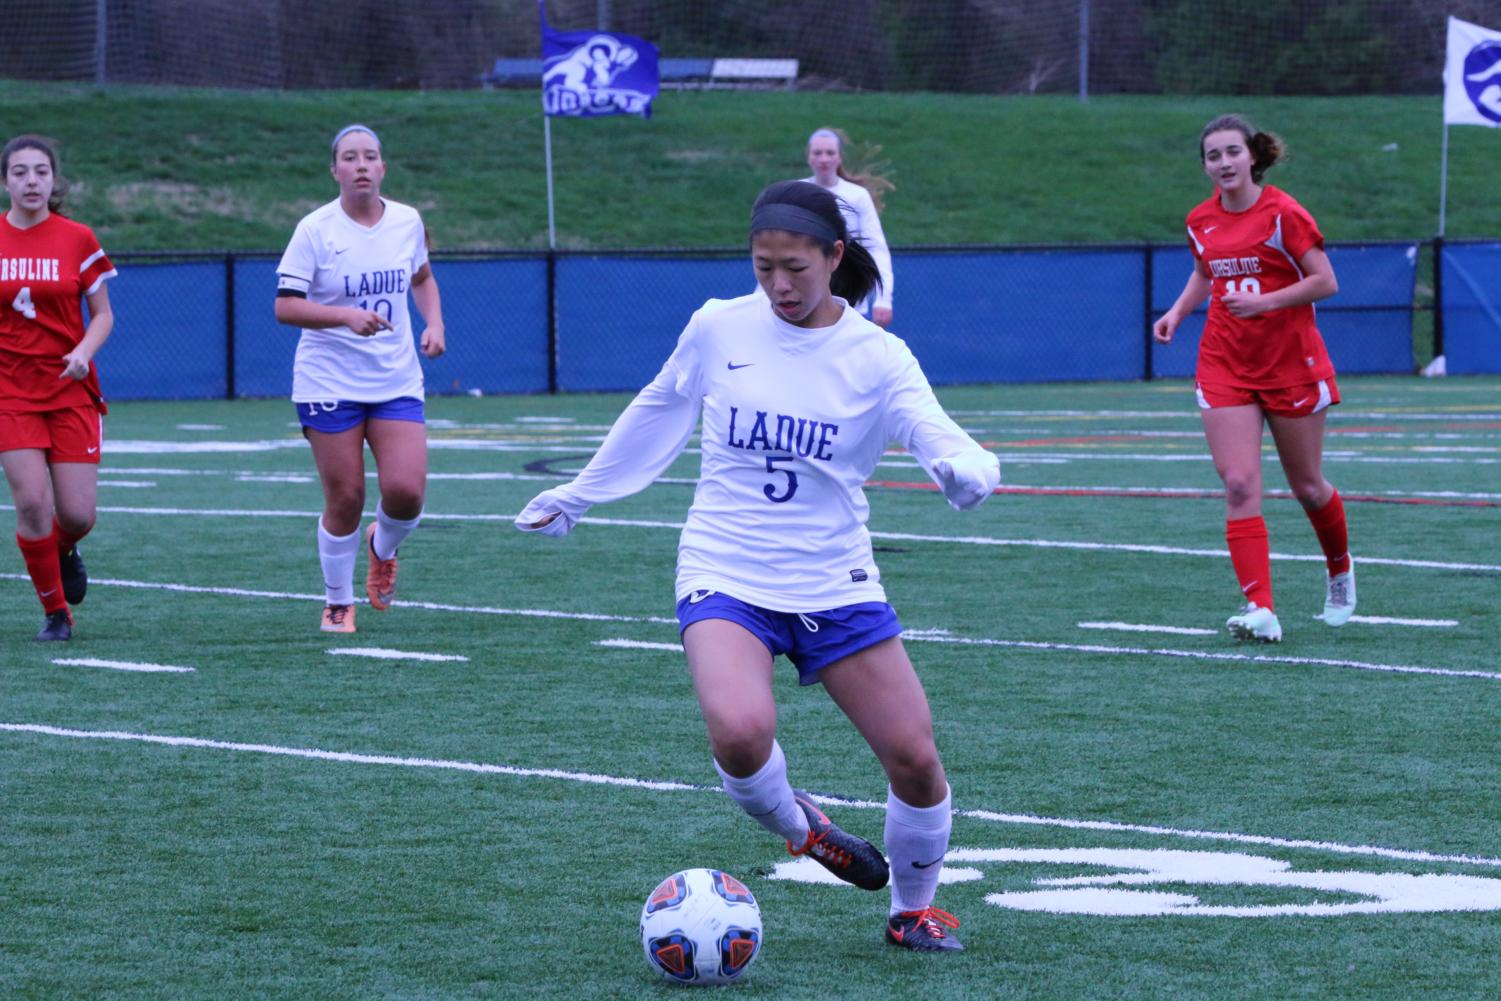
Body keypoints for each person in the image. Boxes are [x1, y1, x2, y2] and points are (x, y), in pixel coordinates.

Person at [515, 180, 1000, 952]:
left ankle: (914, 908)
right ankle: (800, 826)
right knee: (740, 732)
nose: (778, 284)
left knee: (913, 756)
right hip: (725, 566)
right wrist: (580, 492)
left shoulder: (877, 355)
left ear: (834, 257)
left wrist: (967, 467)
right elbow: (658, 406)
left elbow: (934, 430)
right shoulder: (718, 326)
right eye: (763, 266)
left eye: (795, 268)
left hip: (833, 577)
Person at [1153, 114, 1354, 643]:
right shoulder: (1200, 220)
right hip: (1224, 362)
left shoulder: (1284, 213)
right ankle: (1260, 606)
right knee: (1239, 482)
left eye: (1232, 152)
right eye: (1213, 156)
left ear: (1252, 156)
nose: (1223, 163)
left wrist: (1264, 301)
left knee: (1308, 487)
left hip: (1291, 363)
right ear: (1205, 166)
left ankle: (1338, 568)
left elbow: (1325, 281)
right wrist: (1176, 312)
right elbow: (1205, 271)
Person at [274, 124, 445, 633]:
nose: (362, 165)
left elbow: (422, 278)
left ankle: (382, 546)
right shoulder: (315, 229)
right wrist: (344, 316)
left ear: (383, 168)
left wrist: (434, 322)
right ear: (336, 170)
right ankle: (337, 602)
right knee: (345, 497)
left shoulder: (407, 221)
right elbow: (285, 306)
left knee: (406, 492)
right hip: (328, 381)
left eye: (371, 156)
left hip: (394, 378)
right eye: (351, 158)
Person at [0, 134, 117, 643]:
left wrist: (83, 352)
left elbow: (104, 315)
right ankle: (55, 612)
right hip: (10, 390)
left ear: (54, 179)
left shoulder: (77, 238)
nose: (31, 181)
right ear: (5, 181)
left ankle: (63, 548)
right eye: (20, 171)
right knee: (30, 502)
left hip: (69, 387)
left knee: (76, 514)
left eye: (41, 172)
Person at [802, 127, 895, 328]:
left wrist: (883, 299)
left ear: (840, 157)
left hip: (849, 300)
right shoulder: (797, 192)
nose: (824, 158)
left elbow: (876, 247)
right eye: (817, 153)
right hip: (805, 298)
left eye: (830, 152)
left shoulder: (857, 195)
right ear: (809, 157)